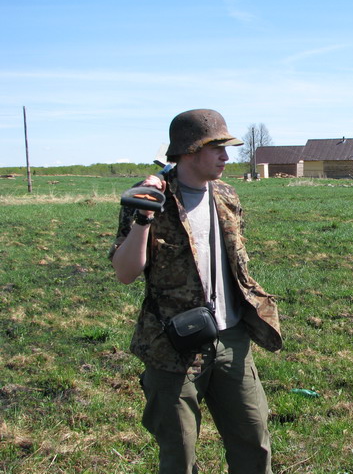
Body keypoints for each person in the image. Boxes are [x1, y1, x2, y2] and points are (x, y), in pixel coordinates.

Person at [109, 108, 282, 474]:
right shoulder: (150, 197)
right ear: (189, 150)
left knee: (254, 443)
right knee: (180, 454)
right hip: (173, 345)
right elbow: (125, 273)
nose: (226, 157)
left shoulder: (226, 195)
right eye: (217, 148)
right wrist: (144, 217)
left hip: (231, 339)